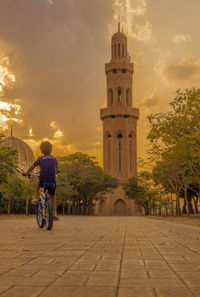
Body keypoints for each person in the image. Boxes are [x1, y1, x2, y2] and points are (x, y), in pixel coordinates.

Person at [24, 141, 59, 221]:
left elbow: (32, 167)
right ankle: (54, 213)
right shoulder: (54, 158)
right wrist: (56, 172)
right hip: (52, 180)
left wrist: (26, 173)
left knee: (38, 183)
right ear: (51, 150)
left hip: (43, 178)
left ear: (41, 150)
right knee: (53, 196)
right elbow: (57, 168)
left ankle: (35, 197)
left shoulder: (40, 158)